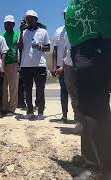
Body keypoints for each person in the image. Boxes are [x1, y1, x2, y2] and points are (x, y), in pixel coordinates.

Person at [65, 1, 111, 179]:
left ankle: (106, 168)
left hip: (99, 42)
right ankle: (93, 160)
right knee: (87, 107)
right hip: (83, 46)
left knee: (96, 108)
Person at [18, 10, 51, 120]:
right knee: (27, 90)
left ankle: (40, 112)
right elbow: (20, 47)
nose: (29, 20)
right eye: (27, 18)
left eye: (31, 18)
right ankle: (30, 111)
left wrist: (40, 47)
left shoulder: (43, 31)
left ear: (36, 19)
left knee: (40, 89)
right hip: (26, 65)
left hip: (39, 65)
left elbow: (48, 47)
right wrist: (20, 32)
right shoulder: (23, 32)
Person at [53, 9, 81, 128]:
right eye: (65, 15)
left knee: (77, 92)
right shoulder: (59, 31)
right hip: (62, 66)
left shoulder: (77, 28)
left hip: (75, 65)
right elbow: (55, 49)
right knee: (64, 91)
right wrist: (56, 65)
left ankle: (78, 118)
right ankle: (64, 115)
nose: (66, 17)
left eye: (68, 14)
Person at [1, 15, 20, 116]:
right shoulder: (1, 35)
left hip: (13, 63)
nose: (7, 25)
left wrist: (19, 64)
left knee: (13, 87)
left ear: (13, 25)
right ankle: (4, 107)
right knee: (3, 87)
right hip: (2, 64)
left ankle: (11, 109)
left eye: (9, 24)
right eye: (5, 24)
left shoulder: (17, 35)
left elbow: (21, 48)